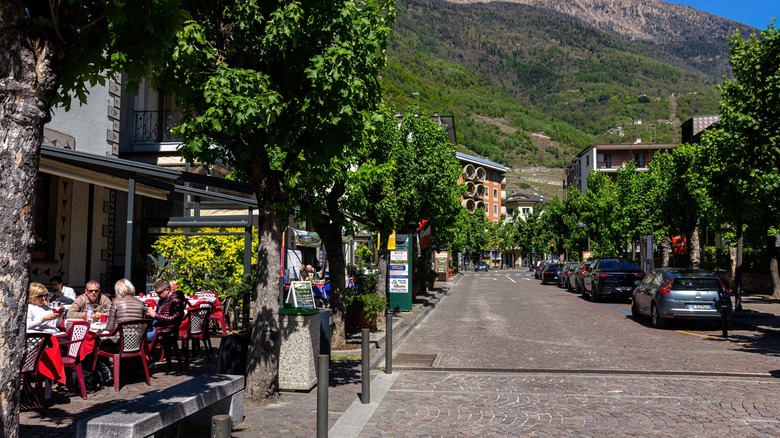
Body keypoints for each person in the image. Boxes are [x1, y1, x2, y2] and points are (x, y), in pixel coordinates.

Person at [99, 278, 147, 354]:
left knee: (100, 344)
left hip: (119, 343)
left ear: (118, 291)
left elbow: (109, 328)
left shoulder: (116, 303)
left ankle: (106, 366)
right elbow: (143, 324)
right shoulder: (141, 304)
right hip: (137, 342)